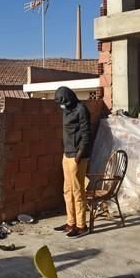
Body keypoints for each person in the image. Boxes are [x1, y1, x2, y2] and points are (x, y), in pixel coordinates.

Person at [53, 86, 91, 238]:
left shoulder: (81, 109)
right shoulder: (66, 110)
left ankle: (82, 226)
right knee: (67, 190)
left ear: (69, 98)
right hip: (67, 155)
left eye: (63, 102)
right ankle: (71, 223)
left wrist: (78, 155)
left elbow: (86, 134)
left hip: (78, 156)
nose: (62, 105)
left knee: (77, 191)